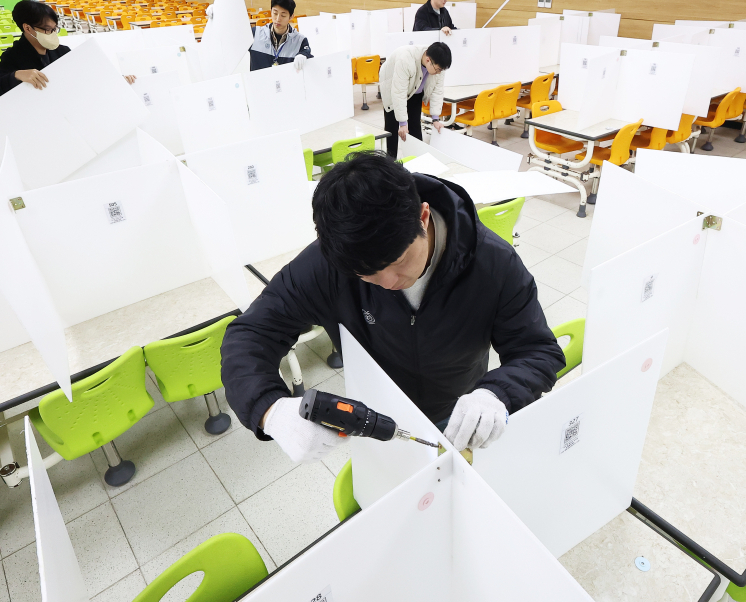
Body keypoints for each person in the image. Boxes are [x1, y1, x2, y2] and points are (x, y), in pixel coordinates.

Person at [220, 152, 565, 465]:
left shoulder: (494, 263)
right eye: (366, 274)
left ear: (423, 215)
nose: (388, 282)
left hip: (462, 412)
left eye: (399, 261)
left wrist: (496, 393)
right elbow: (250, 334)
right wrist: (271, 409)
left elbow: (537, 350)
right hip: (376, 423)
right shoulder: (329, 265)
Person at [0, 0, 135, 99]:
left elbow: (85, 74)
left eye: (54, 29)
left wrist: (115, 80)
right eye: (47, 30)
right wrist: (16, 75)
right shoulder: (12, 56)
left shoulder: (62, 51)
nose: (52, 34)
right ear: (27, 28)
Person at [379, 42, 451, 158]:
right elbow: (399, 92)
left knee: (415, 128)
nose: (439, 72)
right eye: (437, 69)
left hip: (415, 90)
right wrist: (402, 123)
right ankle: (390, 166)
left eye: (441, 70)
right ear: (428, 60)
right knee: (392, 129)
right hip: (392, 85)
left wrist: (436, 119)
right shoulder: (406, 60)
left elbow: (437, 91)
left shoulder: (438, 66)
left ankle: (417, 162)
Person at [249, 0, 312, 71]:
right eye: (275, 13)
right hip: (258, 82)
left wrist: (304, 55)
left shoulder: (300, 40)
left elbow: (307, 53)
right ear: (271, 11)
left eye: (283, 15)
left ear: (291, 16)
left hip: (285, 82)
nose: (278, 19)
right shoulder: (255, 33)